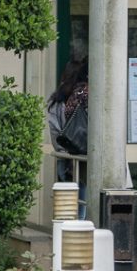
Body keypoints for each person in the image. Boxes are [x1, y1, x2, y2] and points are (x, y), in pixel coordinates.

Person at [47, 57, 89, 217]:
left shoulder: (56, 101)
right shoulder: (81, 98)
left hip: (64, 157)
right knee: (81, 202)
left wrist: (62, 149)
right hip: (81, 156)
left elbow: (54, 129)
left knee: (66, 203)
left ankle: (64, 234)